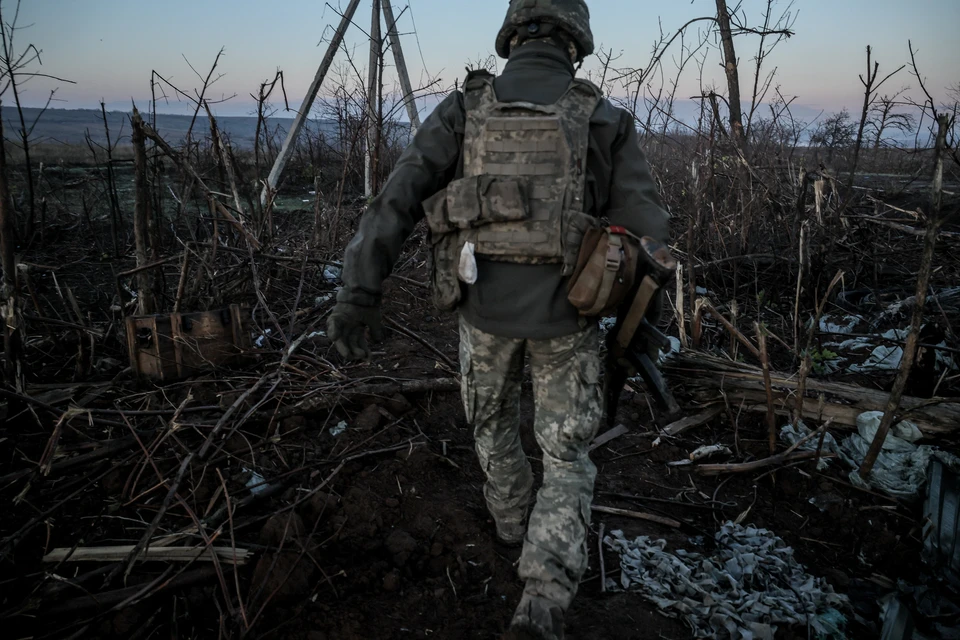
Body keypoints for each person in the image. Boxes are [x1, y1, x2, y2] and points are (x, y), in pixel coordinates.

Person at [327, 1, 671, 638]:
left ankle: (510, 524)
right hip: (570, 321)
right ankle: (543, 597)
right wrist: (643, 325)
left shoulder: (465, 109)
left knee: (491, 429)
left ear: (512, 35)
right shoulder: (602, 117)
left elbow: (396, 197)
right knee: (566, 458)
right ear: (576, 40)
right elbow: (652, 239)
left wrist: (359, 290)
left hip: (481, 314)